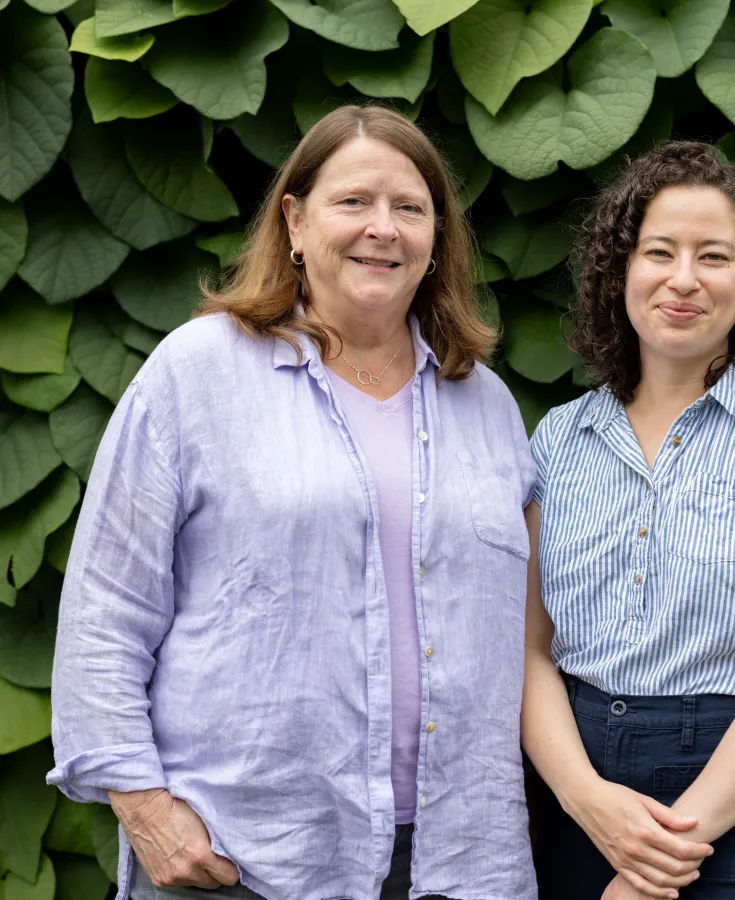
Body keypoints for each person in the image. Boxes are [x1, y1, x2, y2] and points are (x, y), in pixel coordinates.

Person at [48, 105, 537, 900]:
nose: (383, 227)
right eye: (354, 202)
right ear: (296, 222)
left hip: (456, 859)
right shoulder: (199, 374)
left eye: (411, 208)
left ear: (437, 239)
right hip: (245, 855)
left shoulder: (484, 403)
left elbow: (519, 638)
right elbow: (106, 607)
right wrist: (141, 807)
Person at [521, 141, 735, 900]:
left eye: (714, 257)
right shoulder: (556, 442)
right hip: (584, 799)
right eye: (659, 252)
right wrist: (589, 803)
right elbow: (529, 653)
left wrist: (655, 860)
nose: (683, 280)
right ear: (621, 270)